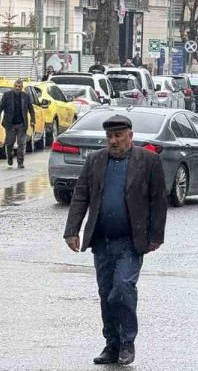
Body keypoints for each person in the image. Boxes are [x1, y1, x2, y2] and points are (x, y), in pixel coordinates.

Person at [63, 114, 167, 366]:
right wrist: (72, 230)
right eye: (110, 136)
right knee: (106, 293)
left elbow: (158, 200)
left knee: (122, 288)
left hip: (131, 241)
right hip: (102, 241)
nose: (113, 141)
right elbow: (81, 196)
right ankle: (112, 344)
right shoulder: (96, 161)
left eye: (119, 135)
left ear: (130, 136)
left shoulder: (148, 161)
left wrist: (156, 236)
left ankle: (127, 341)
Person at [0, 79, 36, 168]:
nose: (17, 88)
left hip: (21, 124)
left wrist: (32, 120)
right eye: (16, 86)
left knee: (21, 143)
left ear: (22, 88)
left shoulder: (25, 96)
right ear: (13, 86)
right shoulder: (7, 95)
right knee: (9, 143)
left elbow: (31, 109)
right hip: (10, 124)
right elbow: (0, 108)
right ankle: (9, 156)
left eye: (19, 87)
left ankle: (20, 162)